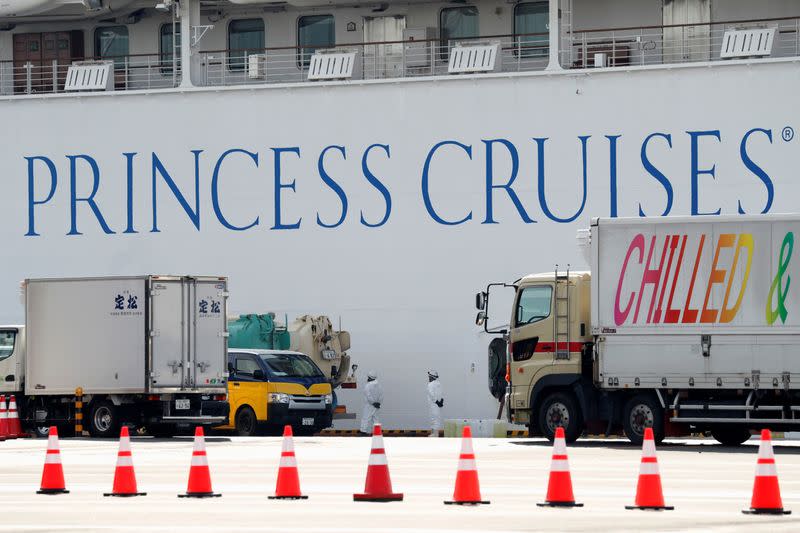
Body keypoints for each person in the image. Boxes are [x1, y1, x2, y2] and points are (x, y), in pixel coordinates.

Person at [427, 371, 443, 437]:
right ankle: (436, 433)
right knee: (437, 418)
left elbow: (431, 395)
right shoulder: (439, 384)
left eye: (429, 376)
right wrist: (441, 402)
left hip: (433, 404)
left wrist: (436, 402)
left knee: (433, 418)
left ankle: (434, 434)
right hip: (438, 405)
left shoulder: (430, 384)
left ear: (432, 377)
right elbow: (441, 394)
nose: (428, 378)